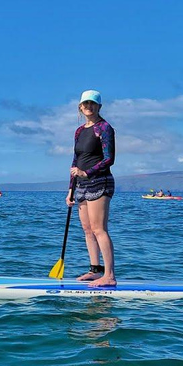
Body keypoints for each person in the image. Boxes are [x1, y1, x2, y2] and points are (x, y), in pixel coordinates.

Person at [66, 90, 117, 287]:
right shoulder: (79, 131)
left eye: (92, 103)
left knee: (99, 229)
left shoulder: (104, 128)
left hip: (100, 181)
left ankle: (110, 276)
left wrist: (87, 173)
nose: (89, 106)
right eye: (85, 103)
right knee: (87, 230)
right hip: (81, 185)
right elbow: (75, 160)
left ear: (99, 107)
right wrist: (71, 188)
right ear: (80, 107)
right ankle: (96, 271)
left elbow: (109, 159)